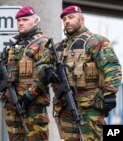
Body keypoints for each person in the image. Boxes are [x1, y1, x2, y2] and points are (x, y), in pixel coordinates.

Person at [52, 5, 122, 141]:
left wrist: (110, 93)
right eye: (64, 19)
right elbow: (43, 67)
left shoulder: (96, 41)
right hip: (65, 105)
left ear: (82, 19)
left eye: (71, 17)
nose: (67, 21)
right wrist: (47, 71)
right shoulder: (58, 48)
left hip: (90, 106)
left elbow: (112, 67)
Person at [0, 6, 55, 141]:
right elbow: (5, 68)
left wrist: (29, 96)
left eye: (25, 20)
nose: (21, 23)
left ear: (35, 21)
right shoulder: (14, 46)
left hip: (33, 105)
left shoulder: (43, 44)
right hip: (12, 103)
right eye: (18, 20)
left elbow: (44, 74)